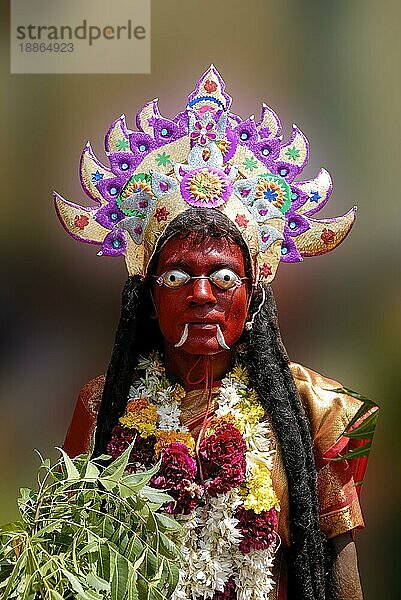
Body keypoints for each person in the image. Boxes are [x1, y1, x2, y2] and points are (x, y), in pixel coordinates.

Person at [55, 66, 376, 600]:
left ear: (253, 297)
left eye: (224, 278)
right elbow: (63, 559)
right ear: (149, 299)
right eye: (179, 276)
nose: (202, 294)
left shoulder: (313, 409)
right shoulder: (99, 407)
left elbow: (341, 577)